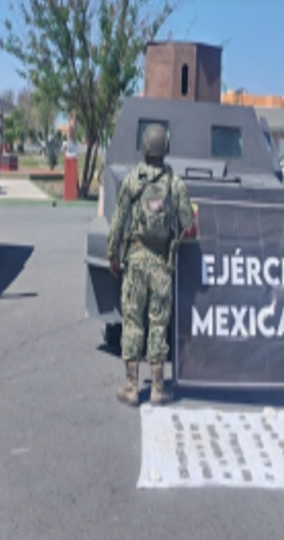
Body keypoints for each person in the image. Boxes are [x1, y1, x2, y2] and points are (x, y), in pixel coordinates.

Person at [107, 123, 194, 407]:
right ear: (165, 147)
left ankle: (131, 387)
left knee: (133, 323)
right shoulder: (174, 183)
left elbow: (118, 220)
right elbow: (189, 224)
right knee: (158, 324)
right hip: (161, 266)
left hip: (135, 262)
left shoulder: (133, 179)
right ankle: (158, 388)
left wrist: (113, 254)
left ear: (145, 147)